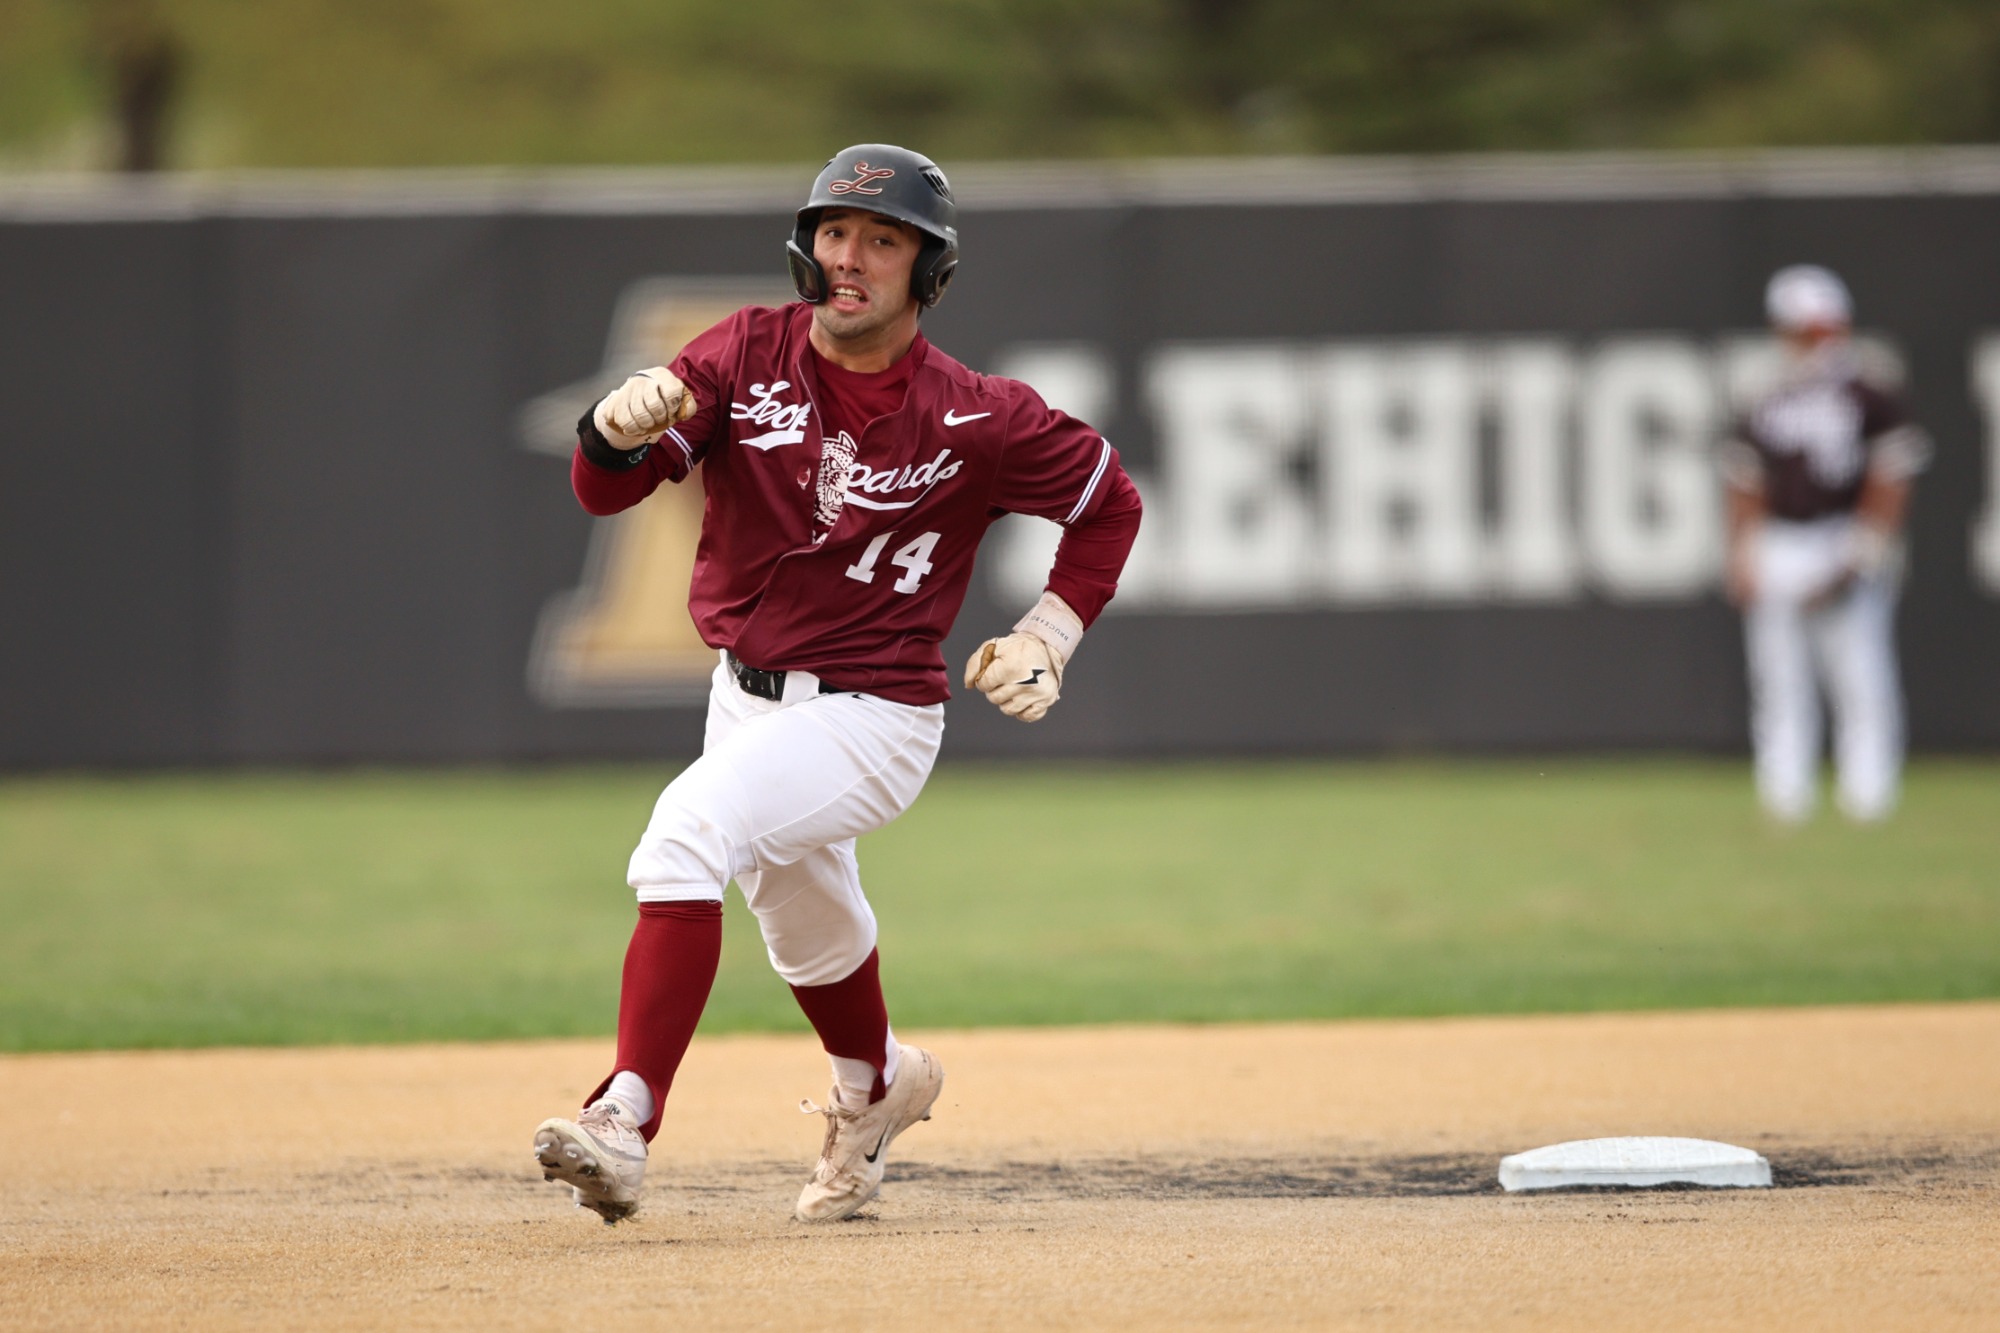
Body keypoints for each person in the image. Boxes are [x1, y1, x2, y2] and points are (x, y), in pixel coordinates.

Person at [531, 144, 1142, 1225]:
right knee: (801, 921)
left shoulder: (974, 414)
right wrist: (606, 437)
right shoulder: (746, 351)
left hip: (875, 710)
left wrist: (1049, 630)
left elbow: (1109, 502)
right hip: (745, 693)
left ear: (927, 271)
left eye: (882, 239)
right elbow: (601, 496)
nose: (849, 256)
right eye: (834, 232)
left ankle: (623, 1118)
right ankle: (875, 1084)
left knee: (686, 830)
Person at [1720, 264, 1930, 823]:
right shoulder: (1766, 395)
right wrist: (1744, 551)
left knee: (1861, 674)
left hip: (1841, 534)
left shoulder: (1870, 393)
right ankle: (1785, 794)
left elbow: (1892, 474)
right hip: (1782, 541)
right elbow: (1745, 479)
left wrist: (1862, 550)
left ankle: (1868, 794)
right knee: (1779, 678)